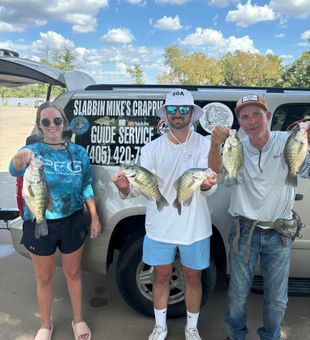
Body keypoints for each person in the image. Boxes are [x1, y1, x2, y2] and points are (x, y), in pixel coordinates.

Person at [112, 89, 217, 340]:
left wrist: (207, 186)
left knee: (193, 278)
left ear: (192, 113)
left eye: (183, 109)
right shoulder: (151, 149)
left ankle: (191, 328)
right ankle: (160, 326)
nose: (178, 114)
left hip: (195, 227)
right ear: (166, 114)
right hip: (159, 227)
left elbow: (211, 185)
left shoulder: (206, 144)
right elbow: (140, 188)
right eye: (172, 109)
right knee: (160, 276)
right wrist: (125, 187)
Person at [208, 94, 310, 340]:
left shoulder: (289, 141)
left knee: (276, 299)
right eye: (244, 116)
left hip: (280, 234)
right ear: (239, 122)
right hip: (244, 231)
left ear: (268, 116)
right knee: (237, 295)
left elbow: (307, 170)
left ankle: (270, 336)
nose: (251, 121)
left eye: (256, 114)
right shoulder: (235, 146)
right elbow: (214, 172)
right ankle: (235, 335)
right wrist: (214, 145)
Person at [9, 102, 101, 340]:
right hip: (40, 220)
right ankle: (45, 325)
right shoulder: (33, 150)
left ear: (65, 123)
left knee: (73, 274)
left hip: (72, 221)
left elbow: (86, 186)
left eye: (57, 120)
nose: (52, 126)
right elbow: (14, 168)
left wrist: (94, 217)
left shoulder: (79, 152)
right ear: (40, 126)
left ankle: (78, 320)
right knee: (44, 277)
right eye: (46, 122)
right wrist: (22, 157)